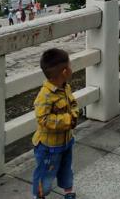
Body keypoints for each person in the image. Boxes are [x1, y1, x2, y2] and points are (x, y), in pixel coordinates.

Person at [32, 48, 79, 199]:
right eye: (70, 65)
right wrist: (68, 119)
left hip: (66, 141)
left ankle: (69, 192)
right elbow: (43, 119)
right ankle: (39, 195)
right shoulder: (45, 95)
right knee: (45, 176)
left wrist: (74, 114)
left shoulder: (65, 88)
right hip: (48, 147)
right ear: (65, 72)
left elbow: (72, 104)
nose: (72, 68)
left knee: (67, 169)